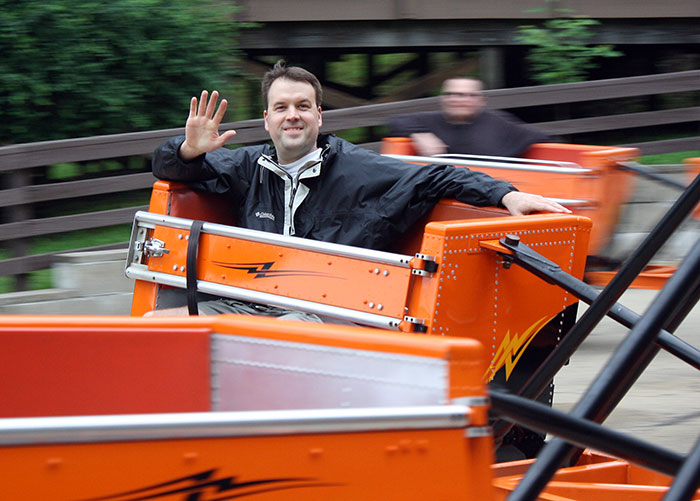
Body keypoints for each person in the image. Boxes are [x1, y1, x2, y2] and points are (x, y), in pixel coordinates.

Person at [146, 61, 569, 317]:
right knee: (155, 326)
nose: (292, 116)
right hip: (248, 301)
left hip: (322, 310)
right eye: (281, 108)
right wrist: (186, 150)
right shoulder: (246, 165)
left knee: (276, 340)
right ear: (267, 119)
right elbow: (170, 170)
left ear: (319, 117)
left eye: (303, 106)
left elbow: (437, 176)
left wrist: (507, 195)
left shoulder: (359, 169)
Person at [388, 77, 553, 157]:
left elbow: (544, 139)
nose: (458, 100)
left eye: (468, 95)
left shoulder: (498, 123)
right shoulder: (430, 121)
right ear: (443, 99)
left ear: (481, 101)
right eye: (451, 94)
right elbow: (396, 121)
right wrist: (420, 134)